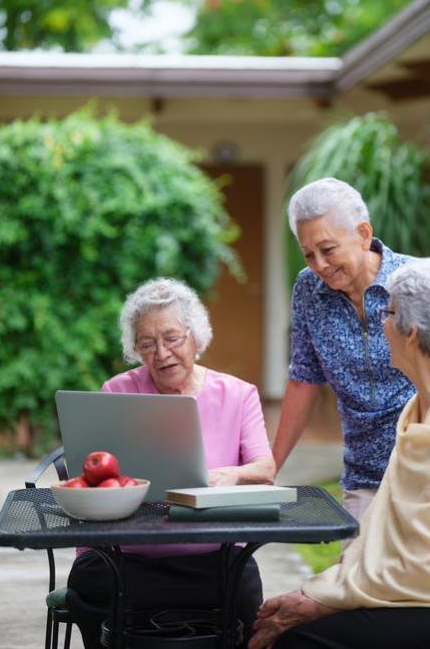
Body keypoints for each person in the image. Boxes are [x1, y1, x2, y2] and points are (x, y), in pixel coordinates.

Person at [250, 257, 430, 649]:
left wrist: (324, 601)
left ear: (413, 334)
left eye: (388, 313)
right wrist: (328, 590)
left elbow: (429, 563)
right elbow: (394, 528)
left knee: (303, 641)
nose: (381, 324)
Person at [273, 177, 430, 520]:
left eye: (328, 249)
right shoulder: (309, 290)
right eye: (309, 254)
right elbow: (303, 378)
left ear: (363, 234)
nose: (320, 264)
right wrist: (272, 465)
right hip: (363, 475)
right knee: (356, 568)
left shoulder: (417, 280)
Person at [67, 277, 275, 649]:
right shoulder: (116, 392)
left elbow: (265, 468)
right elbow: (92, 476)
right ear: (136, 350)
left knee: (244, 597)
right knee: (89, 584)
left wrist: (234, 473)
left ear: (197, 337)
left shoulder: (239, 395)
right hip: (125, 556)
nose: (161, 354)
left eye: (172, 338)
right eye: (147, 344)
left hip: (213, 554)